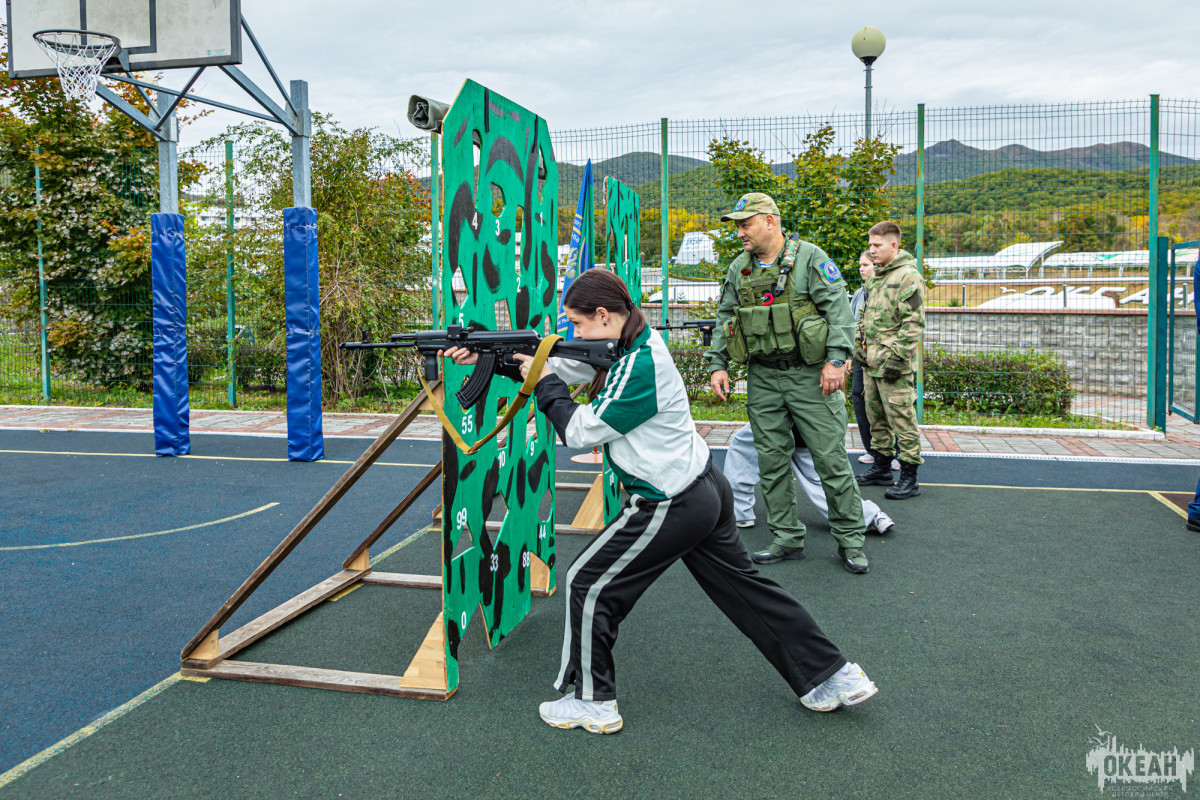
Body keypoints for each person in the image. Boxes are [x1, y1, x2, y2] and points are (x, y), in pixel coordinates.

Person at [444, 268, 877, 734]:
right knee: (750, 593)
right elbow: (568, 364)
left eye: (577, 323)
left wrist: (543, 378)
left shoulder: (640, 364)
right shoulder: (630, 343)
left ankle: (593, 701)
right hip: (702, 487)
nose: (573, 333)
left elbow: (576, 431)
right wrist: (496, 357)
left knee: (587, 584)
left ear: (605, 315)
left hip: (669, 502)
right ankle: (831, 677)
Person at [705, 192, 870, 574]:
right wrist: (718, 364)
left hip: (811, 377)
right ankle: (786, 538)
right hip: (763, 377)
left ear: (769, 221)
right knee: (771, 461)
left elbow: (840, 313)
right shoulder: (739, 269)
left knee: (830, 460)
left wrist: (835, 361)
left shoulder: (810, 259)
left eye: (746, 224)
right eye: (739, 226)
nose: (741, 233)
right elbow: (725, 317)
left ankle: (850, 539)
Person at [854, 220, 926, 499]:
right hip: (872, 361)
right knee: (876, 417)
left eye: (877, 245)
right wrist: (860, 346)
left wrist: (898, 358)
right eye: (870, 245)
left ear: (893, 245)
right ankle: (882, 467)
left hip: (894, 364)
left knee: (902, 419)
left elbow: (914, 322)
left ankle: (909, 477)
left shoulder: (908, 276)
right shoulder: (876, 276)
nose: (872, 251)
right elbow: (864, 313)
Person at [724, 423, 895, 536]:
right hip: (809, 415)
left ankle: (738, 512)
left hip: (783, 408)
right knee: (815, 477)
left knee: (744, 446)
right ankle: (869, 516)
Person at [849, 251, 897, 471]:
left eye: (866, 265)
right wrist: (850, 356)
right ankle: (873, 451)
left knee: (886, 404)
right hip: (861, 357)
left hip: (883, 356)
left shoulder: (887, 292)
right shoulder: (860, 293)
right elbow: (852, 326)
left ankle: (893, 453)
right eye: (860, 265)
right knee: (860, 398)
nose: (861, 269)